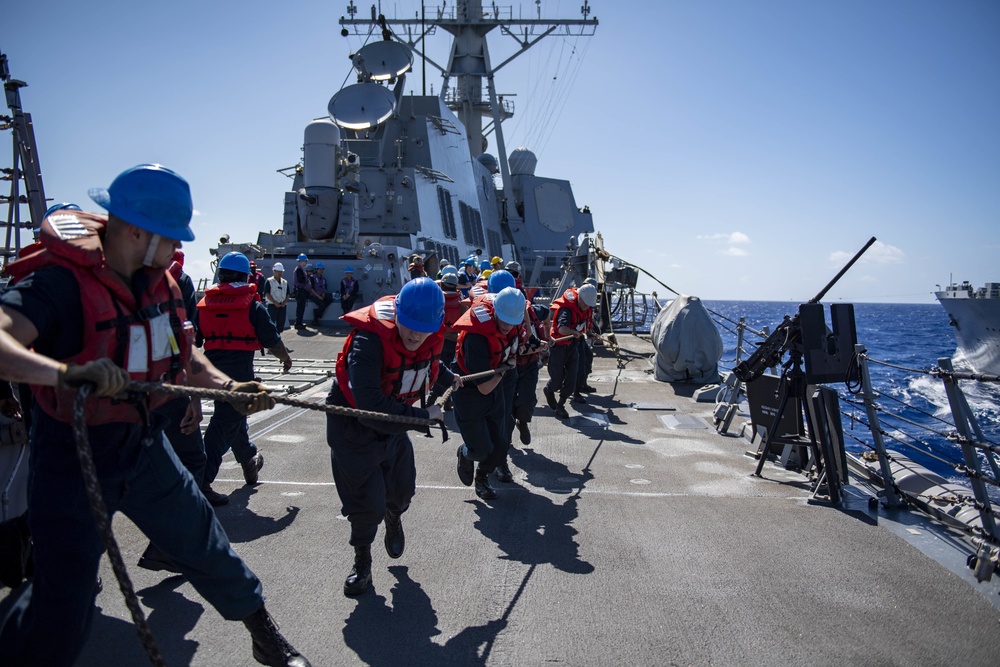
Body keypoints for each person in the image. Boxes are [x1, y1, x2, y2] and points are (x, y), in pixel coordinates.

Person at [0, 164, 309, 667]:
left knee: (204, 542)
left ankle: (263, 635)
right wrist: (63, 372)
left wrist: (229, 388)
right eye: (170, 239)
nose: (174, 251)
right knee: (64, 601)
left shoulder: (158, 285)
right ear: (139, 232)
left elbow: (184, 354)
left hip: (144, 445)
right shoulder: (58, 284)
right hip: (75, 460)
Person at [326, 277, 457, 596]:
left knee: (402, 491)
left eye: (422, 327)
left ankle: (394, 516)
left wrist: (451, 381)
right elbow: (373, 409)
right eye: (408, 324)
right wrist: (425, 416)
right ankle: (362, 560)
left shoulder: (428, 335)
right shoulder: (367, 342)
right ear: (396, 313)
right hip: (354, 428)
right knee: (365, 504)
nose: (414, 333)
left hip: (394, 423)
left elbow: (426, 367)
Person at [198, 251, 293, 506]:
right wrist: (285, 358)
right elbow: (272, 340)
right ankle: (201, 482)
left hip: (211, 374)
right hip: (240, 375)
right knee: (222, 426)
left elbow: (194, 339)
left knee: (233, 419)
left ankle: (250, 461)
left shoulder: (206, 303)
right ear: (246, 275)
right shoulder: (252, 305)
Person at [452, 286, 526, 500]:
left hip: (494, 383)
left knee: (501, 446)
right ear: (494, 312)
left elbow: (516, 343)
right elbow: (484, 387)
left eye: (512, 322)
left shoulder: (513, 324)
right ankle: (466, 452)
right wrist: (507, 368)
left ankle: (482, 477)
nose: (506, 326)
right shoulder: (476, 337)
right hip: (470, 390)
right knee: (480, 448)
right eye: (503, 321)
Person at [544, 283, 598, 419]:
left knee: (572, 378)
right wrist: (574, 332)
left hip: (573, 346)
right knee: (557, 380)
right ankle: (549, 390)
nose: (586, 307)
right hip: (559, 347)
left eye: (588, 305)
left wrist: (589, 333)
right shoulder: (566, 310)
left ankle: (561, 405)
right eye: (585, 303)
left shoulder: (585, 309)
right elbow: (562, 329)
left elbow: (583, 325)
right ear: (579, 298)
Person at [512, 304, 551, 446]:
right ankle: (505, 438)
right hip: (509, 366)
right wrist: (540, 347)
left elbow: (547, 313)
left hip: (530, 364)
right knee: (506, 403)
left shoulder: (535, 310)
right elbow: (516, 351)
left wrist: (547, 335)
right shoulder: (498, 318)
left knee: (527, 399)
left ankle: (522, 422)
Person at [263, 262, 290, 332]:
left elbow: (288, 294)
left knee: (280, 326)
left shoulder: (285, 282)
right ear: (274, 271)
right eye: (278, 271)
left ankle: (278, 339)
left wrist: (284, 302)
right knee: (271, 324)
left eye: (281, 271)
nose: (280, 273)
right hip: (272, 306)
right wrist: (274, 302)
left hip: (282, 306)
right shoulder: (269, 281)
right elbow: (267, 293)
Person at [308, 262, 335, 326]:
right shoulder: (312, 278)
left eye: (322, 269)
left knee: (329, 299)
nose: (321, 271)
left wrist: (323, 294)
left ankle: (317, 312)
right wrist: (318, 296)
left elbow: (324, 287)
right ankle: (315, 319)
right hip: (313, 295)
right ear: (316, 270)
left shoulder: (323, 279)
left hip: (321, 294)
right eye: (319, 269)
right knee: (321, 305)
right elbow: (311, 289)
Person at [292, 253, 310, 330]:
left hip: (302, 291)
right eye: (303, 261)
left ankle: (299, 322)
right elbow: (301, 280)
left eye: (305, 261)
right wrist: (308, 277)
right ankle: (298, 323)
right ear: (300, 262)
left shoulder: (301, 269)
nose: (304, 263)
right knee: (300, 308)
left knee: (301, 308)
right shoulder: (299, 269)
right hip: (300, 291)